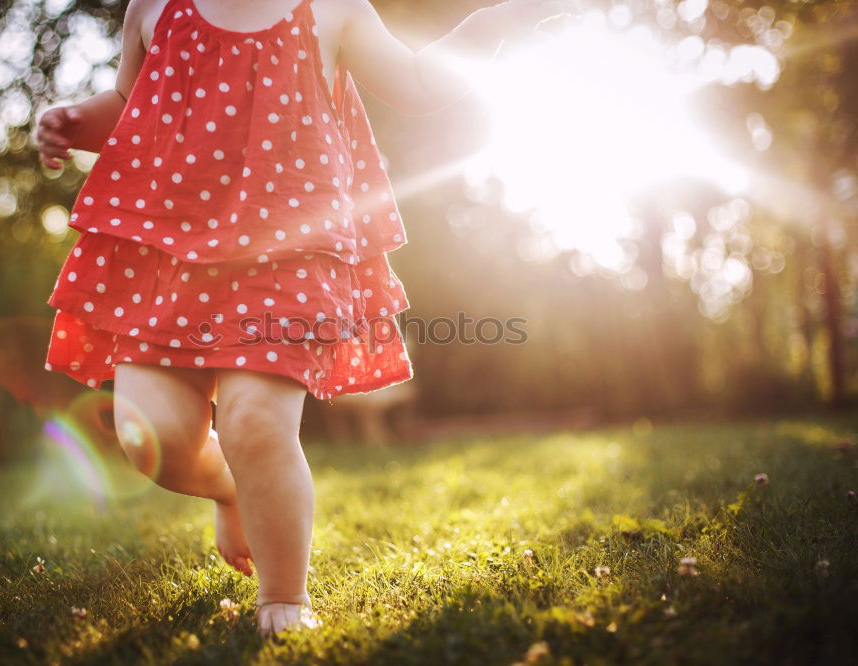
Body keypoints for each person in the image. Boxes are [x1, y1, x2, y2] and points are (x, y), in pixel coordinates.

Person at [35, 0, 576, 637]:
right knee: (150, 437)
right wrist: (73, 123)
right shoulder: (155, 8)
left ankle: (283, 598)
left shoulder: (334, 10)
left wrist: (496, 23)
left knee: (257, 422)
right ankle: (235, 488)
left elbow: (420, 83)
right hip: (168, 253)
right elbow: (131, 105)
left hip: (288, 254)